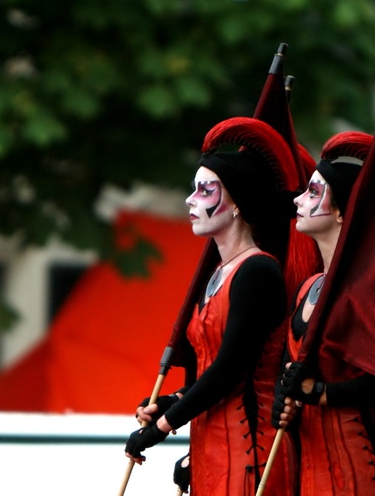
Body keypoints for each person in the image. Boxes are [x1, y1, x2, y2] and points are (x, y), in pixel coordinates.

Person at [124, 116, 315, 496]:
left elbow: (230, 368)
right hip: (211, 448)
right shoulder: (217, 273)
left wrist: (162, 428)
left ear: (237, 203)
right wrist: (169, 403)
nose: (190, 200)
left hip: (251, 451)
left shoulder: (258, 270)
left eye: (204, 190)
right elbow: (206, 371)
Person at [273, 131, 375, 495]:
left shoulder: (366, 289)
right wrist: (284, 401)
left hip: (365, 471)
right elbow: (290, 368)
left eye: (313, 193)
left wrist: (322, 394)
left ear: (340, 211)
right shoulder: (306, 287)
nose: (299, 200)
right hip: (312, 471)